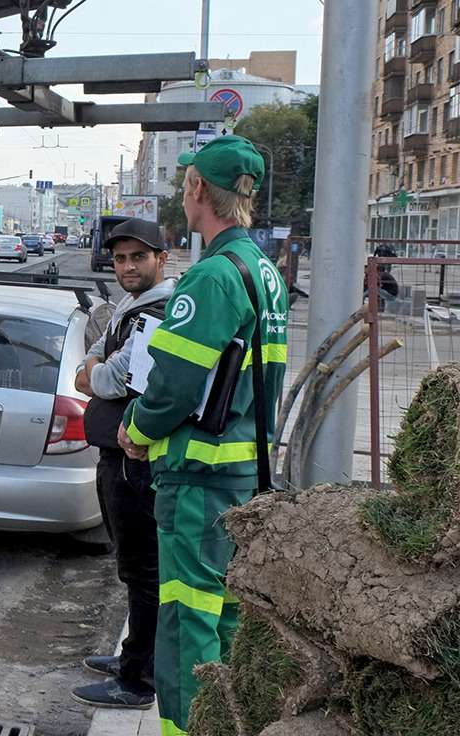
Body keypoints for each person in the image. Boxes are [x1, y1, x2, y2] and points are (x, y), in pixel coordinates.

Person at [117, 135, 289, 736]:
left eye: (184, 181)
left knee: (187, 625)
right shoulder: (264, 271)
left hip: (199, 480)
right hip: (243, 475)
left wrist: (135, 429)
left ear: (196, 190)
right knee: (226, 620)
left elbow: (174, 388)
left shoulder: (212, 276)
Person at [71, 218, 175, 711]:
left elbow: (114, 378)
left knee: (144, 568)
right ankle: (133, 655)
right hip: (115, 455)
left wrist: (95, 373)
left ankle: (139, 680)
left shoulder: (163, 310)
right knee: (131, 566)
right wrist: (96, 371)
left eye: (139, 257)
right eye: (120, 258)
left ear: (162, 258)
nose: (128, 266)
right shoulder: (130, 307)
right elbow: (92, 364)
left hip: (139, 460)